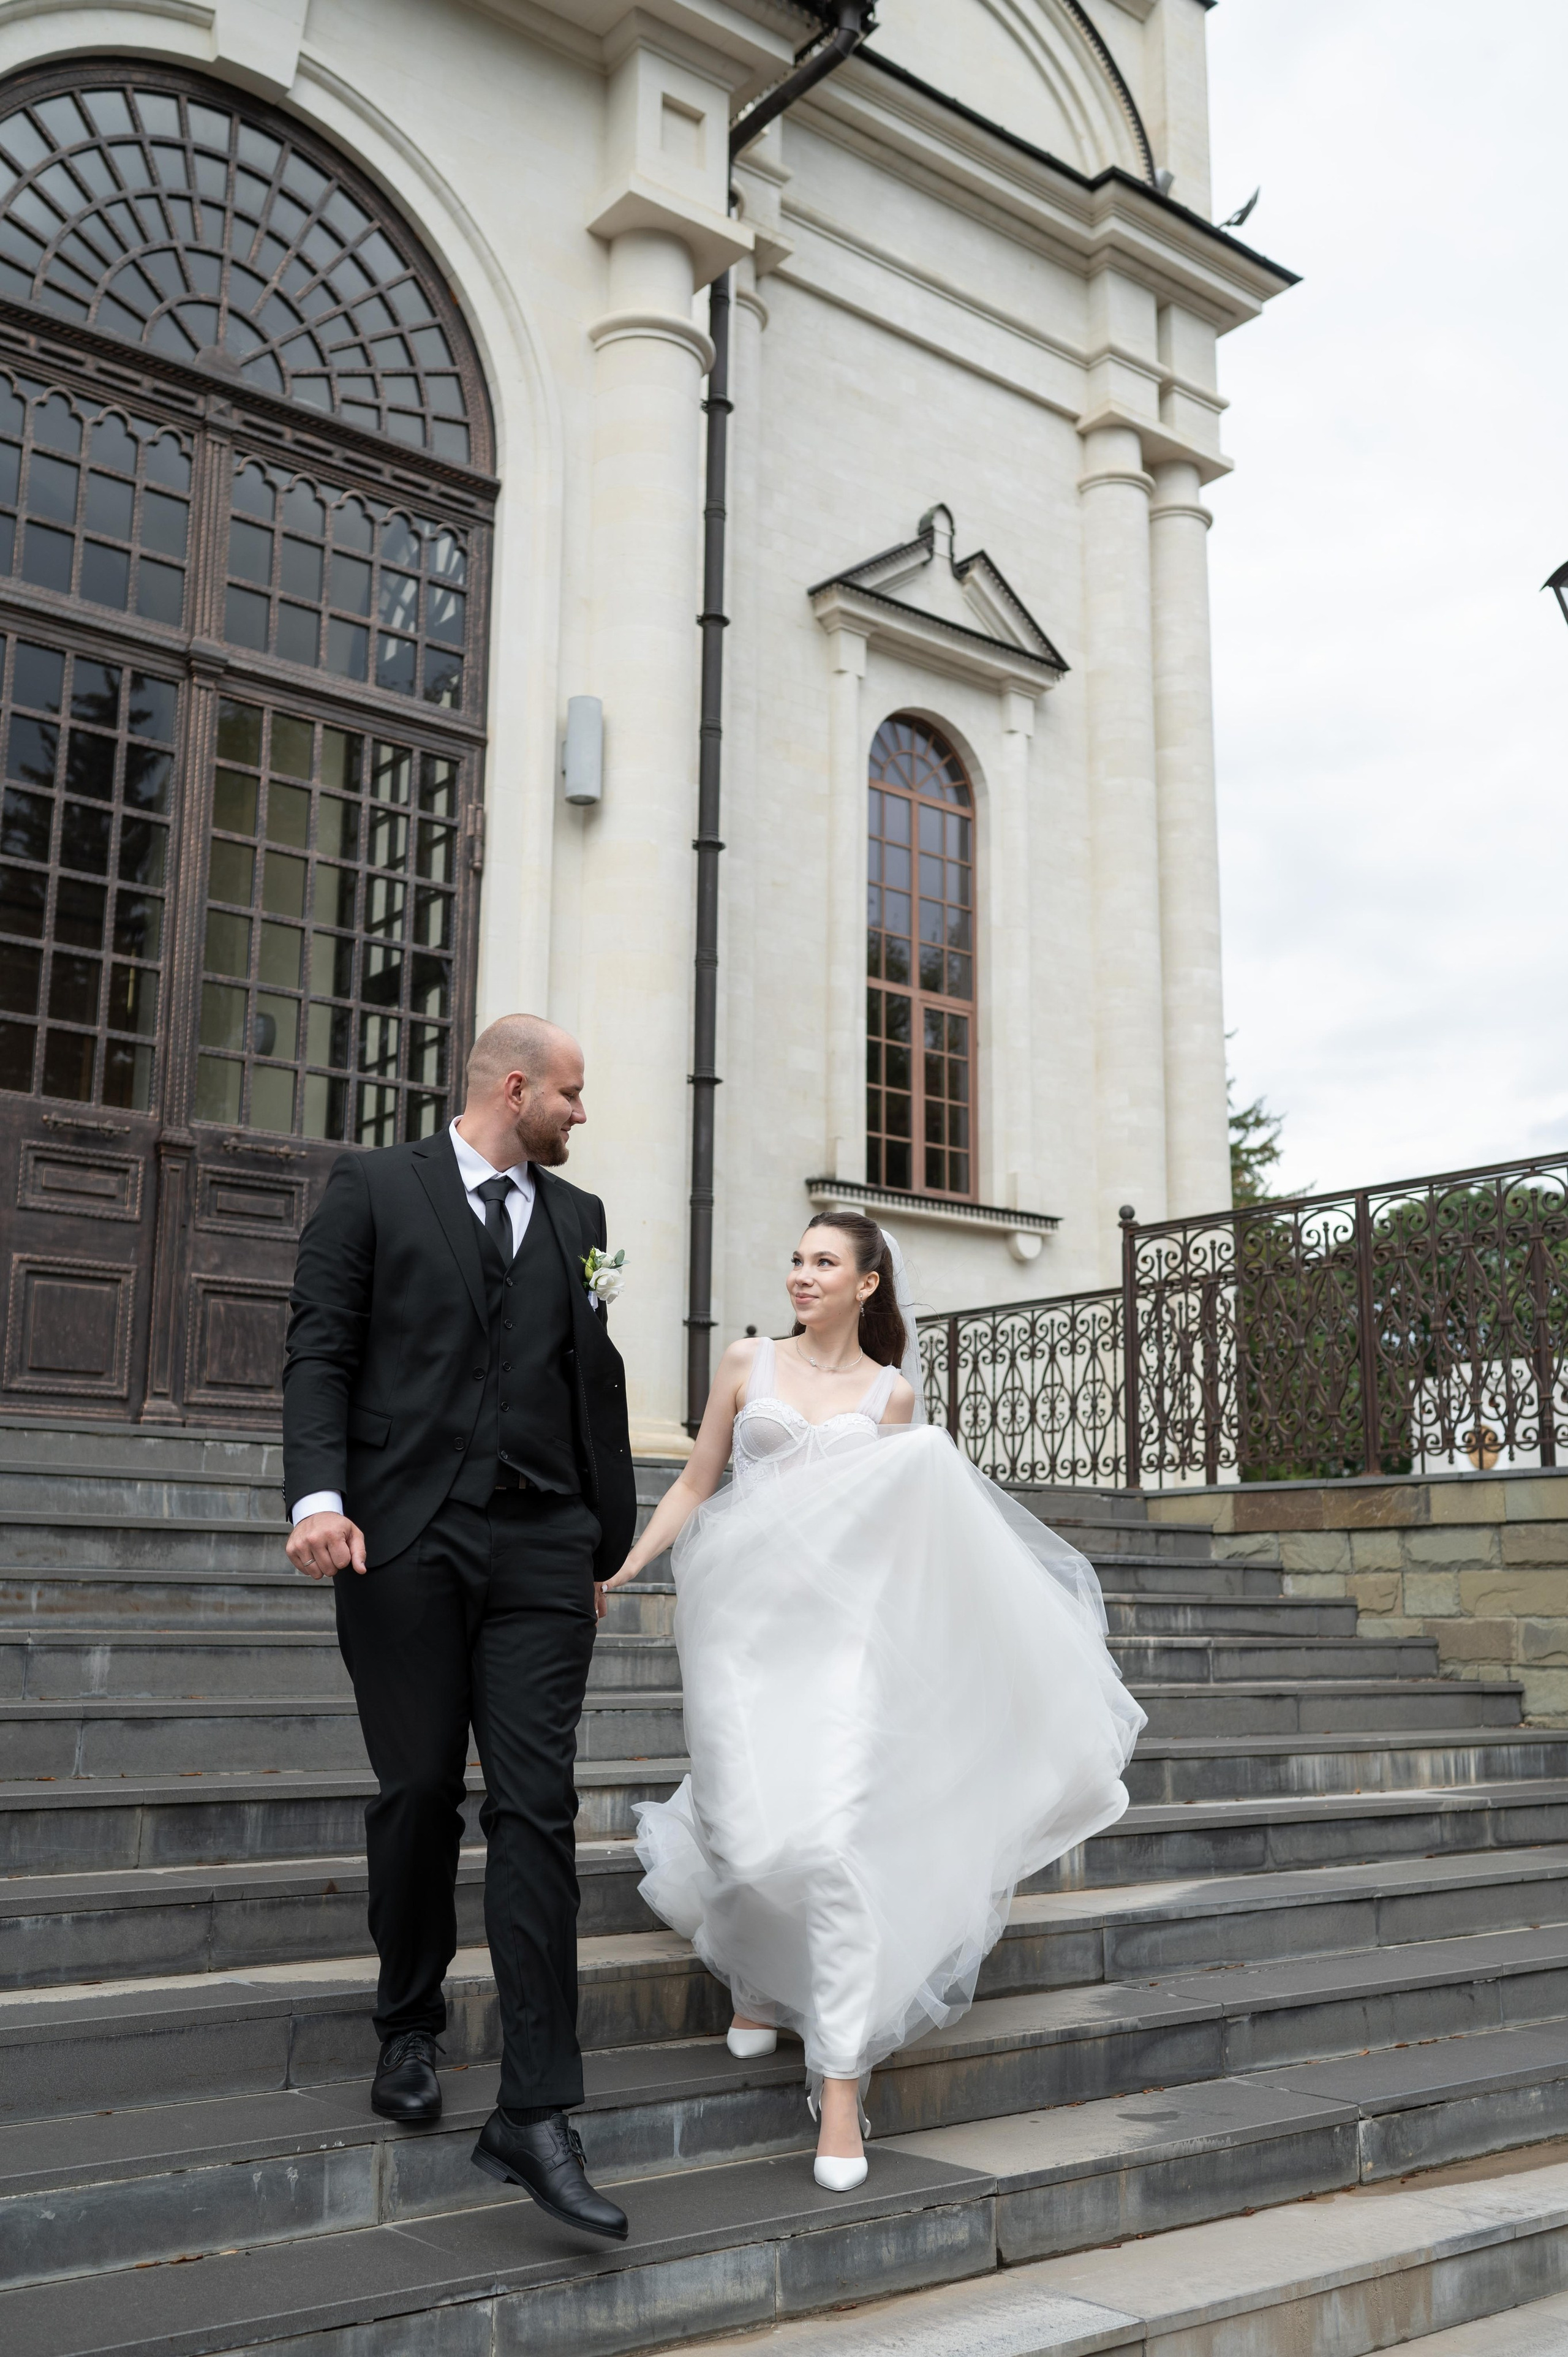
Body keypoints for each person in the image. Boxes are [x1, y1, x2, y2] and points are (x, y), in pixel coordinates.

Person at [603, 1210, 1145, 2190]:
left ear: (866, 1285)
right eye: (797, 1259)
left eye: (824, 1263)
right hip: (742, 1633)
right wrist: (630, 1562)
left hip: (843, 1643)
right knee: (754, 1835)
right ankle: (757, 1970)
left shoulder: (894, 1397)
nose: (802, 1276)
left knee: (836, 1844)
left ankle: (842, 2083)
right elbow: (695, 1481)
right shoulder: (745, 1363)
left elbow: (908, 1535)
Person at [282, 1013, 635, 2243]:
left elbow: (595, 1377)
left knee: (537, 1805)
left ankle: (537, 2108)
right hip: (401, 1535)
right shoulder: (376, 1187)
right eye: (573, 1096)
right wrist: (319, 1498)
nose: (582, 1118)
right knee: (421, 1786)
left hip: (541, 1542)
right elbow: (320, 1349)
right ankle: (408, 2025)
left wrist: (601, 1540)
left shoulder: (580, 1222)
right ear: (515, 1085)